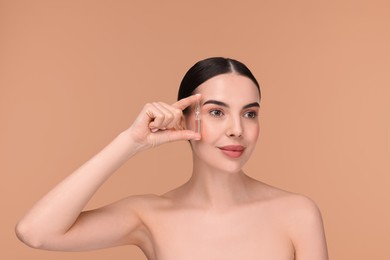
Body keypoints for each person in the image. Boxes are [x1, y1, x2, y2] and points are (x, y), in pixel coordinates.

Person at [15, 57, 328, 260]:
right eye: (217, 112)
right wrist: (130, 141)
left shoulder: (297, 213)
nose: (237, 130)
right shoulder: (149, 216)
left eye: (250, 114)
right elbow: (36, 232)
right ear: (184, 119)